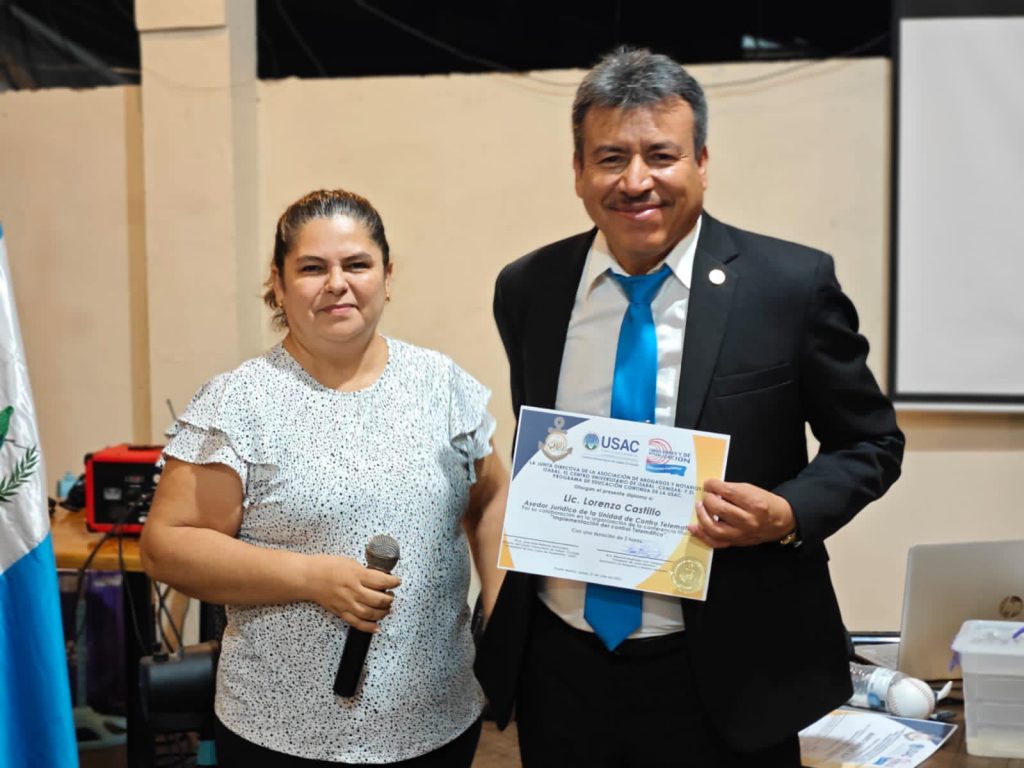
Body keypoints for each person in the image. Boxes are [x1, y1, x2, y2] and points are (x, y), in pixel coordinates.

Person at [475, 47, 905, 767]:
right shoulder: (529, 288)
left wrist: (789, 512)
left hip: (731, 673)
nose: (635, 180)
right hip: (560, 667)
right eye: (610, 157)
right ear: (578, 171)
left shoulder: (789, 286)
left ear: (702, 162)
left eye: (661, 155)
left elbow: (871, 443)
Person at [140, 189, 508, 767]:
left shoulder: (442, 385)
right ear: (279, 284)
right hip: (282, 734)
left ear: (387, 276)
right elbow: (167, 546)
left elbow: (489, 500)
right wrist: (312, 577)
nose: (338, 283)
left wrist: (504, 619)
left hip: (438, 721)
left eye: (357, 264)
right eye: (312, 268)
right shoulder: (240, 402)